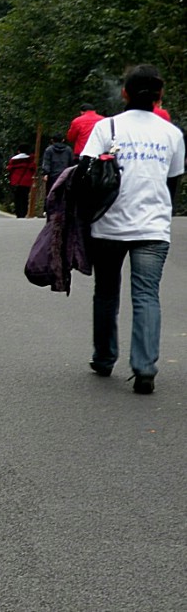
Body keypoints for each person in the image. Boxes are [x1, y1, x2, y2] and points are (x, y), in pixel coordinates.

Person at [82, 64, 185, 394]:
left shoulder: (106, 127)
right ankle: (144, 369)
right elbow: (173, 185)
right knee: (146, 295)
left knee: (107, 291)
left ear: (124, 93)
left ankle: (104, 357)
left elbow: (84, 172)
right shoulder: (172, 134)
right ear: (160, 95)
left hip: (108, 226)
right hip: (153, 229)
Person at [41, 133, 74, 214]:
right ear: (63, 140)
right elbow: (71, 163)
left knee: (50, 192)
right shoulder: (68, 150)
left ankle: (49, 210)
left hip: (52, 175)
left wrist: (46, 173)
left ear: (52, 140)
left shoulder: (49, 150)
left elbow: (46, 162)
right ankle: (62, 209)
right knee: (64, 193)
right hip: (65, 175)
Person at [7, 144, 36, 218]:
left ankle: (18, 212)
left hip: (16, 181)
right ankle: (24, 212)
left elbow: (9, 169)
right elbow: (33, 168)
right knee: (25, 197)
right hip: (26, 181)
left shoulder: (13, 160)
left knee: (17, 198)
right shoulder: (30, 159)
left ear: (19, 151)